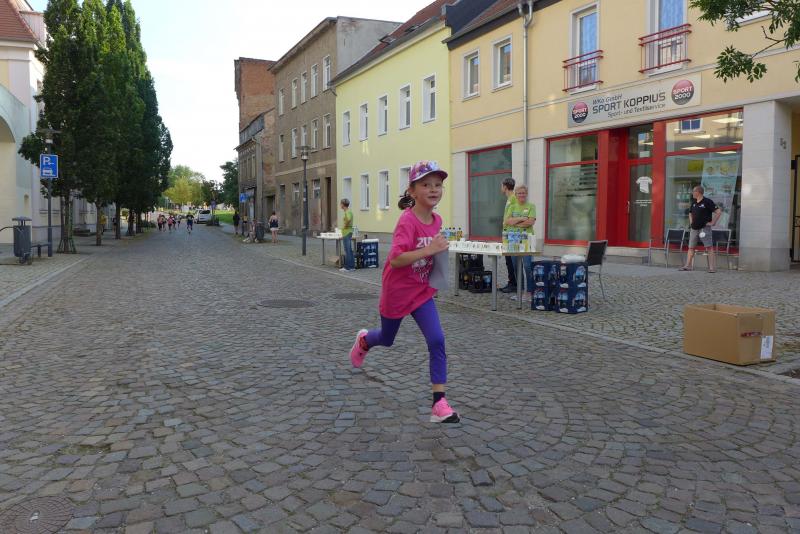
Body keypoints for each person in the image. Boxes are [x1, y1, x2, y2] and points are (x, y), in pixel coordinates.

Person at [349, 160, 459, 424]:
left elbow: (432, 253)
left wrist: (437, 266)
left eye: (438, 185)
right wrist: (429, 249)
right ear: (412, 191)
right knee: (387, 338)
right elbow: (396, 259)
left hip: (421, 293)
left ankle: (439, 403)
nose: (434, 189)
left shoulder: (438, 220)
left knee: (437, 340)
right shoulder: (407, 221)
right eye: (426, 184)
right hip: (397, 292)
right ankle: (365, 340)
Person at [680, 185, 721, 273]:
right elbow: (690, 213)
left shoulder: (707, 201)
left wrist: (713, 222)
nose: (692, 193)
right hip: (694, 228)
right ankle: (687, 266)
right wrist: (691, 222)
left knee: (709, 247)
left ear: (698, 192)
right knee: (691, 247)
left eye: (693, 191)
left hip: (704, 228)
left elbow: (718, 212)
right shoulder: (694, 202)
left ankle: (711, 268)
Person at [505, 185, 536, 299]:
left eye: (523, 193)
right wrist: (522, 218)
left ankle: (529, 292)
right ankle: (520, 291)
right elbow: (508, 221)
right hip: (514, 240)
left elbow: (530, 222)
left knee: (527, 266)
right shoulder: (512, 206)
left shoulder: (531, 206)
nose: (521, 195)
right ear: (516, 195)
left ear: (526, 194)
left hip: (527, 240)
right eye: (519, 193)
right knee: (516, 266)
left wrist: (515, 223)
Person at [500, 177, 517, 293]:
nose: (501, 188)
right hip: (507, 234)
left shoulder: (513, 199)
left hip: (511, 235)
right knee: (508, 260)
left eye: (501, 186)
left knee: (511, 261)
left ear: (505, 187)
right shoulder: (510, 199)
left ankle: (514, 284)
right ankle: (511, 282)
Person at [340, 199, 355, 272]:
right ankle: (352, 266)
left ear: (343, 204)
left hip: (347, 232)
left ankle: (347, 267)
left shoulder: (348, 212)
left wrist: (345, 226)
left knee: (347, 250)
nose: (340, 205)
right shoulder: (348, 212)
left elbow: (348, 219)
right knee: (349, 250)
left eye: (341, 204)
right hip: (348, 232)